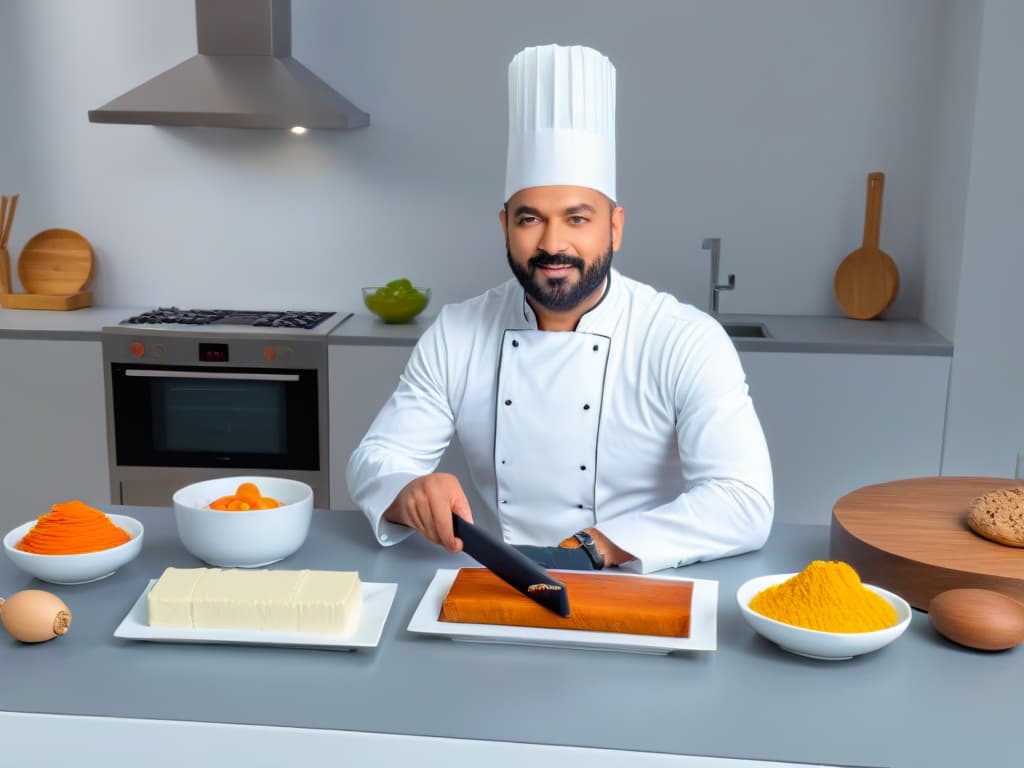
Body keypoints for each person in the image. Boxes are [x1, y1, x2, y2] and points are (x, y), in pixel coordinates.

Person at [347, 44, 773, 574]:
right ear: (505, 225)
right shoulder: (458, 333)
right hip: (500, 582)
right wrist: (407, 488)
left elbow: (743, 499)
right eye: (530, 219)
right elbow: (374, 459)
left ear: (614, 225)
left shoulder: (683, 339)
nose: (553, 244)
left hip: (640, 584)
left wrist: (599, 546)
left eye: (577, 219)